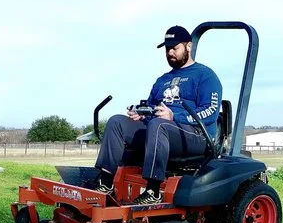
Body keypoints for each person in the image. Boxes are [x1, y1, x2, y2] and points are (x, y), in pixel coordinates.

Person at [92, 25, 222, 205]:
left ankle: (153, 190)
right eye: (167, 49)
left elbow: (211, 112)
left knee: (159, 124)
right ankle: (105, 182)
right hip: (161, 130)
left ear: (189, 46)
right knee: (117, 122)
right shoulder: (163, 79)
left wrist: (173, 116)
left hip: (196, 135)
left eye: (175, 48)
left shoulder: (205, 75)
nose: (170, 52)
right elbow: (152, 107)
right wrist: (141, 114)